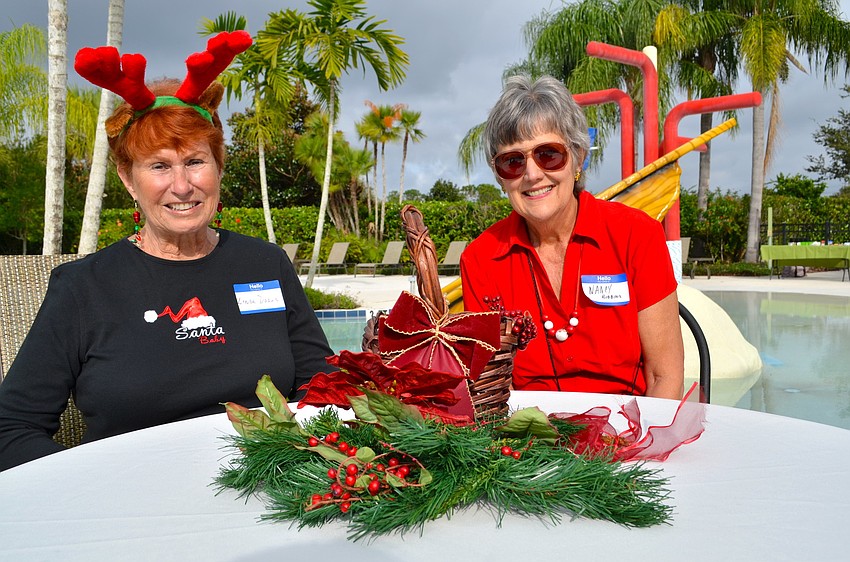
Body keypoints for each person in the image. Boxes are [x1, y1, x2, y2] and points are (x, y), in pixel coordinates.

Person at [0, 32, 334, 471]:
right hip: (136, 499)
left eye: (195, 161)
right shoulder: (84, 287)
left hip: (270, 483)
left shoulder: (265, 263)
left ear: (217, 167)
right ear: (127, 178)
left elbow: (323, 388)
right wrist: (91, 488)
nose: (181, 185)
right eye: (159, 166)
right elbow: (12, 429)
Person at [461, 75, 684, 399]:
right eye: (513, 161)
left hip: (630, 432)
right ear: (500, 177)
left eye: (548, 154)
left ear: (578, 157)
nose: (533, 174)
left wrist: (641, 449)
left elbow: (664, 375)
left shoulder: (637, 235)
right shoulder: (481, 260)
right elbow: (493, 390)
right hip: (529, 438)